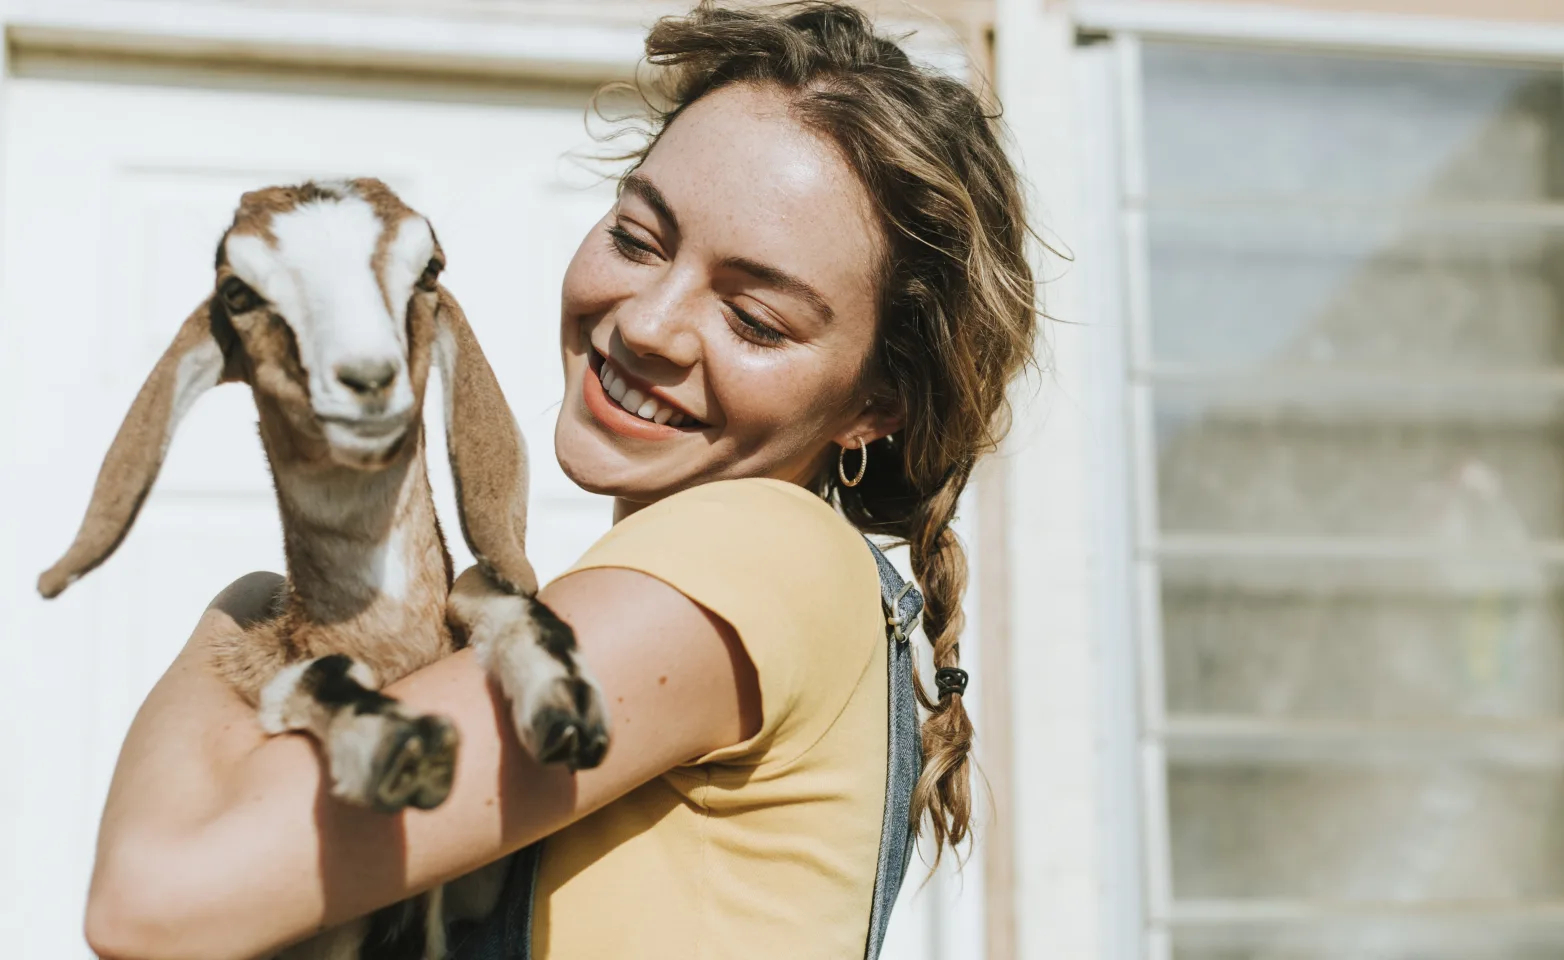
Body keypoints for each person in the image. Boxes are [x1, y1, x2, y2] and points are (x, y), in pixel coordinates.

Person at [83, 2, 1039, 957]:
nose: (647, 325)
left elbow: (158, 900)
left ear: (878, 406)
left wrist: (244, 616)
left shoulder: (762, 551)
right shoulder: (725, 591)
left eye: (753, 317)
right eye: (637, 237)